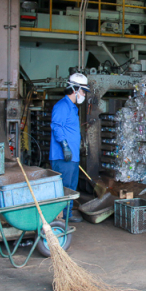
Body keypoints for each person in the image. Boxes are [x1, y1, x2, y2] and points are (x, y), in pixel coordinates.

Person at [50, 72, 89, 223]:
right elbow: (56, 127)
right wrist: (65, 146)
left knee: (71, 186)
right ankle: (59, 216)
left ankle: (67, 214)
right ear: (75, 89)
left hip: (72, 156)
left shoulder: (72, 108)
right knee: (64, 187)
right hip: (63, 155)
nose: (84, 94)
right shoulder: (62, 106)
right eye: (83, 91)